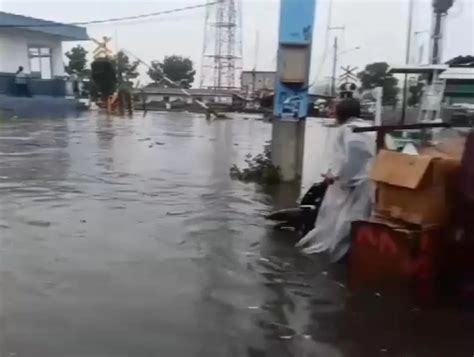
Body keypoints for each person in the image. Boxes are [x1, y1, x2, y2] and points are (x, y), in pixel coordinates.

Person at [296, 98, 376, 262]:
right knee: (354, 220)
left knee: (337, 223)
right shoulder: (368, 128)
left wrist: (335, 175)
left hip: (348, 186)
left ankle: (333, 257)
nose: (331, 113)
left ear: (341, 113)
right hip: (366, 184)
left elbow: (351, 158)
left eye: (334, 110)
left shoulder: (347, 130)